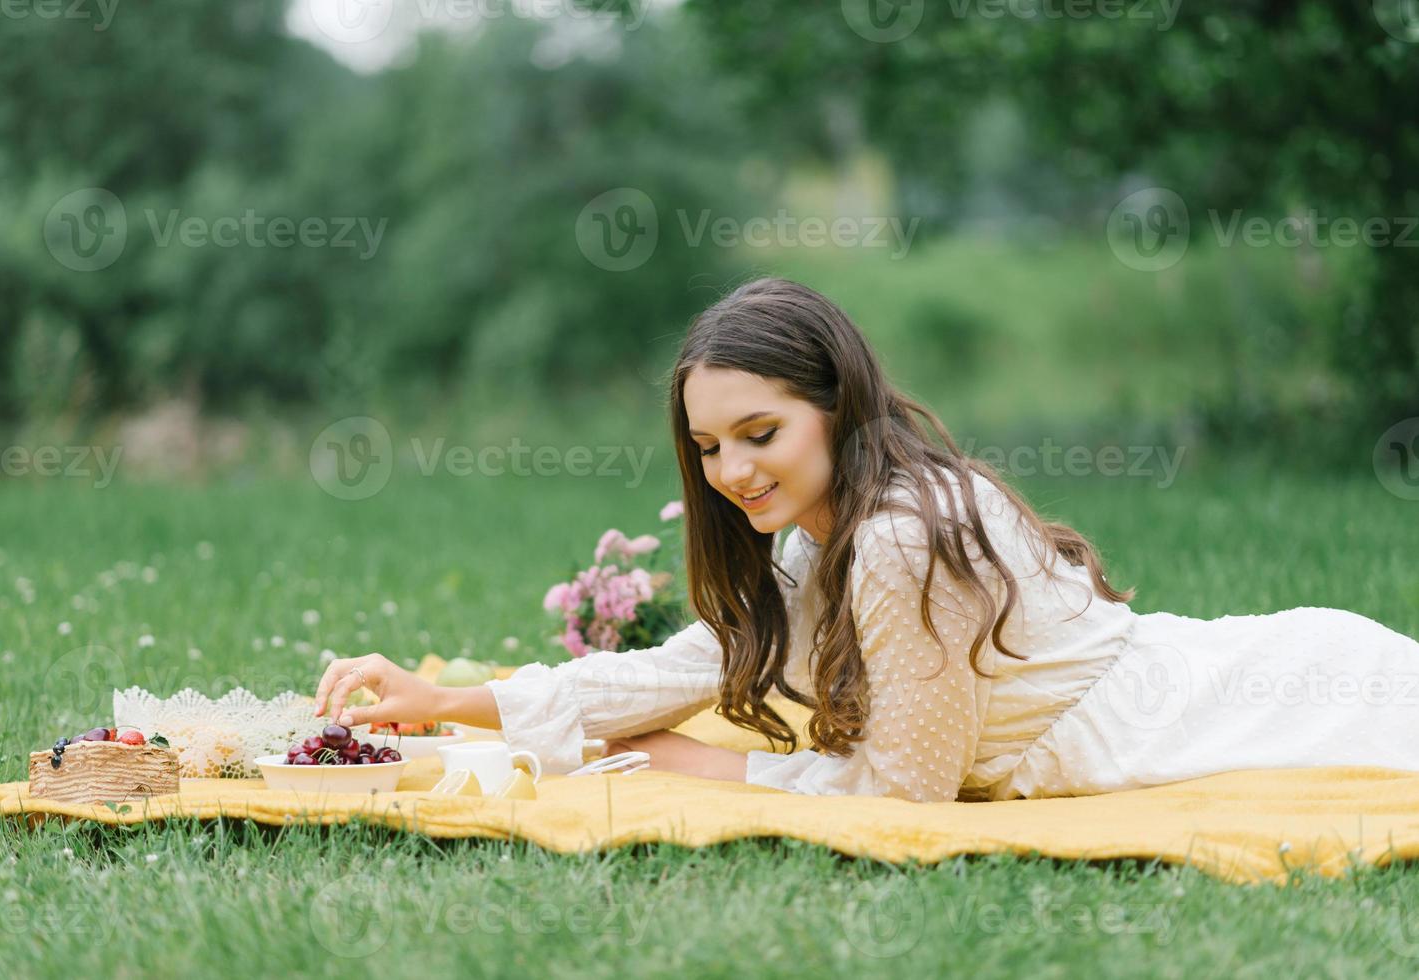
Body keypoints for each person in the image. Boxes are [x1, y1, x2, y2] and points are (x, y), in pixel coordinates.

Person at [311, 277, 1419, 802]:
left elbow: (905, 796)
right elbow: (692, 663)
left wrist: (716, 764)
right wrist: (447, 699)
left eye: (760, 432)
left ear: (835, 404)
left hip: (1281, 697)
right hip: (1237, 677)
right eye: (707, 445)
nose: (731, 471)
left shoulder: (896, 540)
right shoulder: (818, 530)